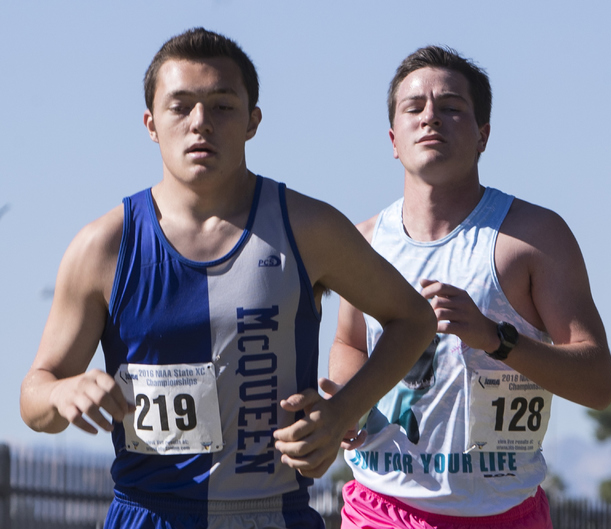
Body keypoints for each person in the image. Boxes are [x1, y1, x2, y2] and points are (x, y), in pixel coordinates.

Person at [19, 28, 436, 529]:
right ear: (151, 124)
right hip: (147, 514)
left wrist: (344, 412)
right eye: (181, 107)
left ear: (252, 121)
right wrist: (62, 393)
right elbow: (33, 397)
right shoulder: (103, 246)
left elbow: (414, 319)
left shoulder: (308, 228)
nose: (201, 123)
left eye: (222, 106)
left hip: (274, 514)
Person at [329, 45, 611, 528]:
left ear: (483, 135)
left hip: (503, 511)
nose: (430, 119)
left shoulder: (533, 237)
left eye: (451, 108)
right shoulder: (364, 242)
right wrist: (347, 404)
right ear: (393, 138)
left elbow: (598, 383)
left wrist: (495, 339)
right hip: (381, 506)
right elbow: (348, 342)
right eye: (413, 107)